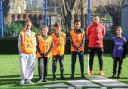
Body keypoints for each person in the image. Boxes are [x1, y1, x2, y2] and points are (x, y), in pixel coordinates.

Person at [18, 19, 36, 85]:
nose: (28, 26)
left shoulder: (33, 33)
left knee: (30, 67)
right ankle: (22, 79)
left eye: (29, 25)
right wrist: (20, 52)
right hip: (23, 53)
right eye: (27, 25)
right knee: (23, 67)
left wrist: (34, 52)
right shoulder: (21, 33)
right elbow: (19, 43)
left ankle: (28, 79)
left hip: (31, 53)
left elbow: (35, 44)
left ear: (31, 26)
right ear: (25, 25)